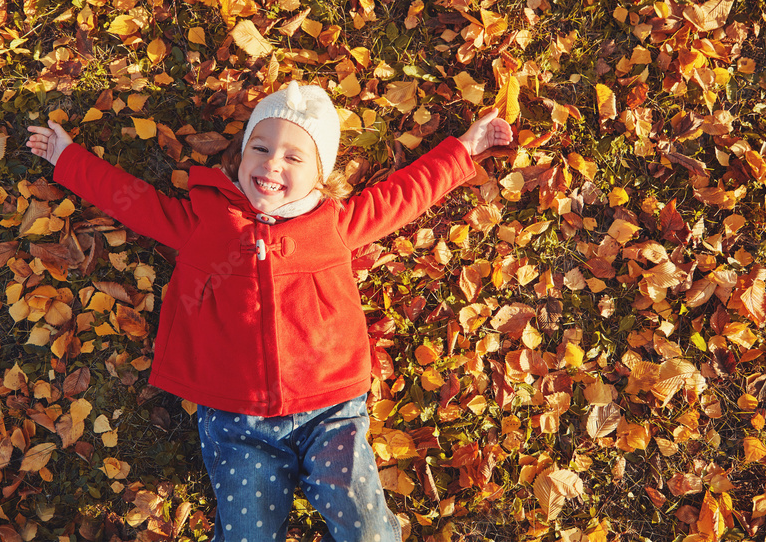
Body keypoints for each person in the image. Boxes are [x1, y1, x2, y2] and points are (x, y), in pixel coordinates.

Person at [26, 81, 513, 542]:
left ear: (320, 175)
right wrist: (67, 158)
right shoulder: (206, 222)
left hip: (330, 410)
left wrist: (466, 147)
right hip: (237, 420)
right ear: (240, 156)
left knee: (365, 524)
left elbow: (407, 194)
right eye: (259, 148)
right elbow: (133, 203)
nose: (271, 164)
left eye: (293, 156)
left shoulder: (336, 224)